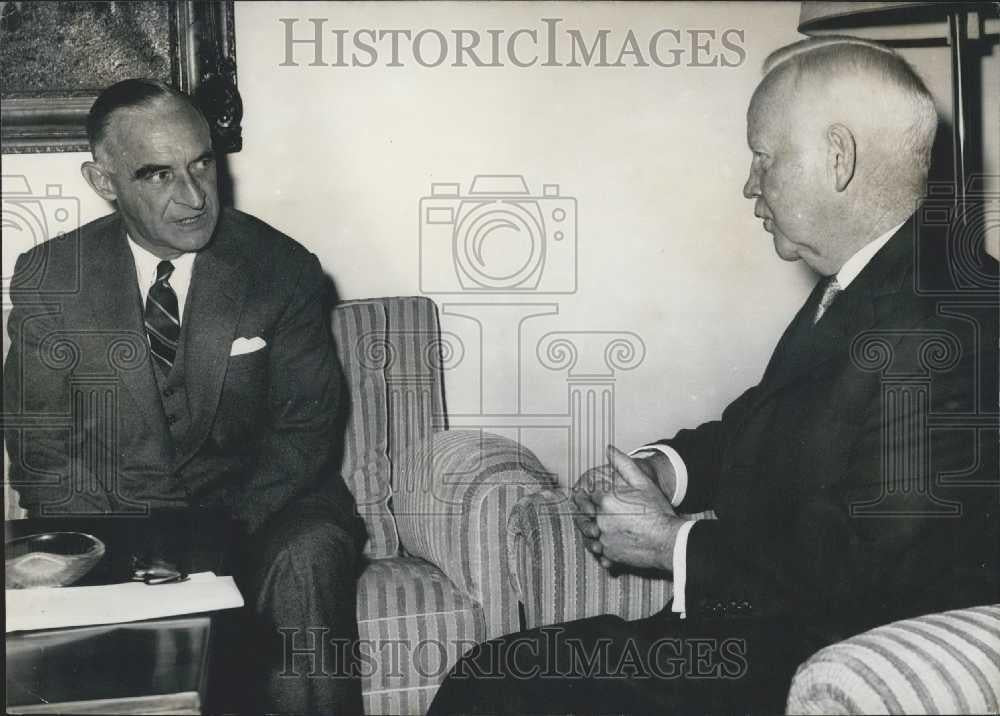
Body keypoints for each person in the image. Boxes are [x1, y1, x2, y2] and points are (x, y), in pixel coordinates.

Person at [429, 36, 999, 714]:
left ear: (838, 158)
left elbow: (879, 579)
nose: (749, 183)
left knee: (501, 684)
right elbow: (768, 420)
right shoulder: (871, 284)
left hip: (802, 668)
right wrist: (666, 470)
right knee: (501, 672)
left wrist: (671, 542)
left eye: (763, 156)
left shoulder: (942, 326)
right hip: (747, 638)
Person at [3, 79, 364, 714]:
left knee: (308, 558)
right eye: (157, 174)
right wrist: (118, 539)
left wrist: (206, 541)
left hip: (266, 512)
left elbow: (304, 433)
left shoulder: (282, 270)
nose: (193, 197)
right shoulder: (51, 278)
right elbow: (40, 449)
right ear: (104, 180)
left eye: (201, 164)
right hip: (116, 518)